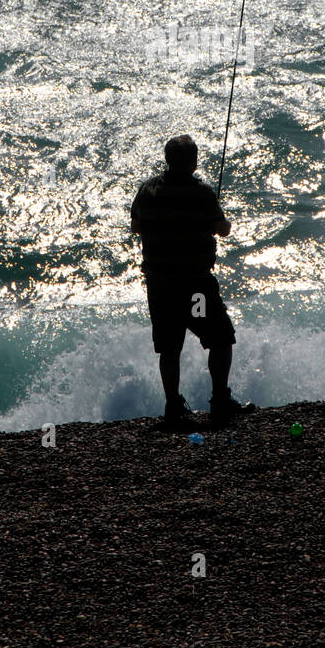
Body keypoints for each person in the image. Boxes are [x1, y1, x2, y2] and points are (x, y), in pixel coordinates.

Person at [131, 134, 254, 430]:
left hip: (161, 287)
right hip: (195, 289)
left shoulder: (147, 191)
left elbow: (136, 226)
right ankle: (219, 400)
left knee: (170, 347)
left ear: (168, 159)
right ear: (194, 161)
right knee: (220, 338)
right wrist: (221, 224)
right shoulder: (202, 193)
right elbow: (221, 230)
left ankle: (173, 406)